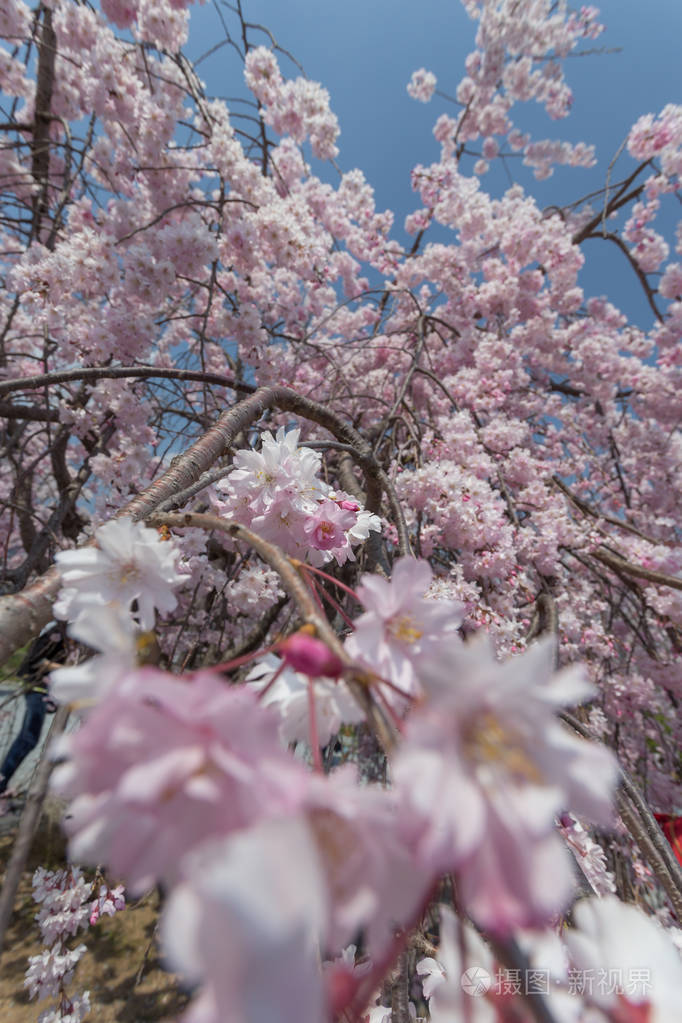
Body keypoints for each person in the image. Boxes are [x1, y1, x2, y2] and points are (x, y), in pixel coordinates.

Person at [0, 621, 65, 799]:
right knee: (28, 738)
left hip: (46, 691)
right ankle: (2, 782)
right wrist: (68, 670)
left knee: (28, 739)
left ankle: (3, 781)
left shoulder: (66, 635)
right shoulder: (55, 632)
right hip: (36, 688)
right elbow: (37, 660)